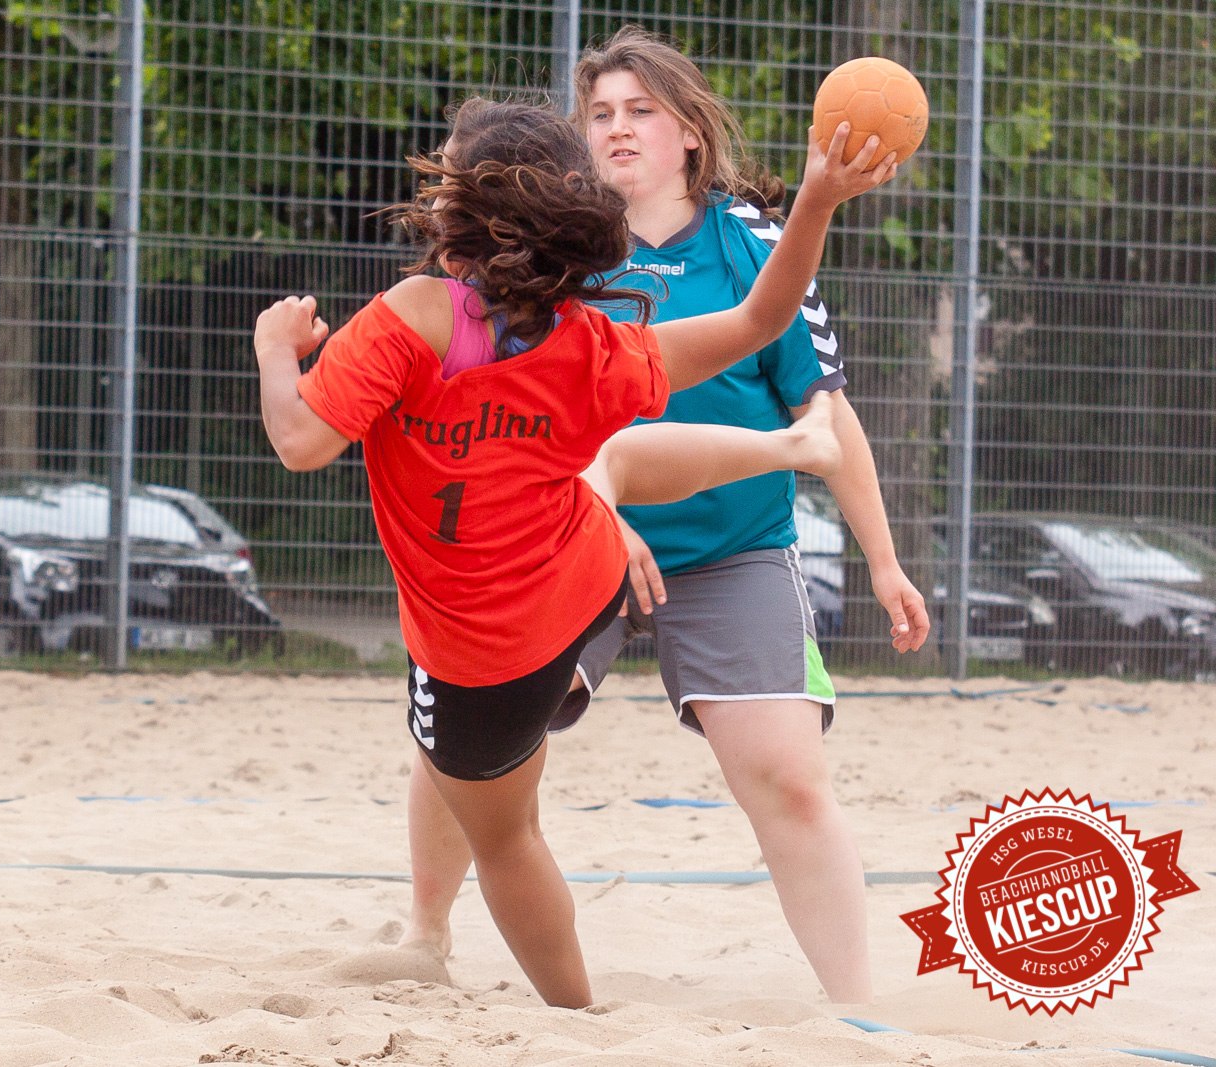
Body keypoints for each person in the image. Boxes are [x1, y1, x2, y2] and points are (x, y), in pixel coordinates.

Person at [254, 95, 895, 1009]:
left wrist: (279, 351)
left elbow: (300, 441)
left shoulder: (413, 318)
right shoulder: (589, 339)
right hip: (588, 578)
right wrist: (819, 200)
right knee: (618, 458)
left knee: (506, 835)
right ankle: (786, 449)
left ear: (452, 208)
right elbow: (760, 320)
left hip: (487, 651)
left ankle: (574, 1010)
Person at [394, 31, 931, 1006]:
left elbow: (824, 410)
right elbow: (497, 415)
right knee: (466, 735)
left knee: (788, 777)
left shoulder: (750, 244)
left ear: (687, 133)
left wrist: (884, 560)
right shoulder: (544, 256)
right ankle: (423, 934)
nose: (616, 127)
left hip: (733, 550)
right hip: (562, 543)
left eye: (639, 109)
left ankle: (857, 1009)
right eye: (598, 112)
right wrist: (598, 514)